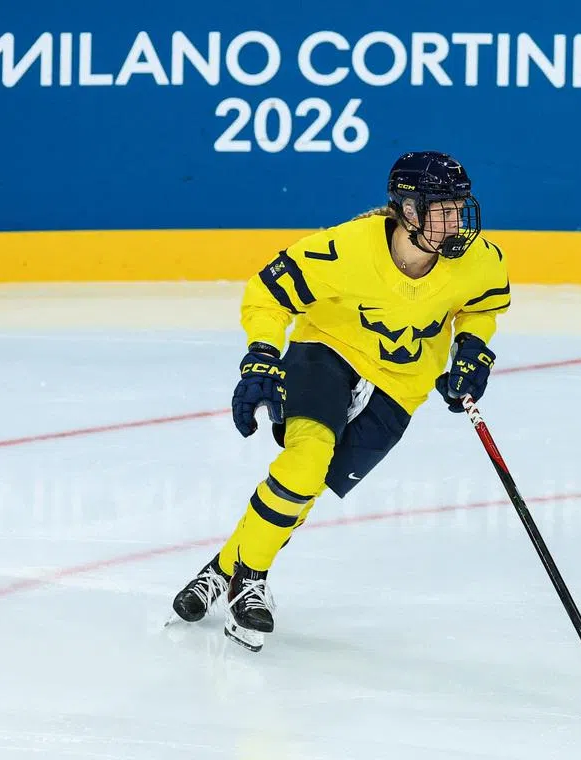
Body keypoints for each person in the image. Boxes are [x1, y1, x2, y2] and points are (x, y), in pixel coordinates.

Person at [170, 151, 511, 651]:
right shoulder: (343, 250)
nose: (455, 220)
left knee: (309, 486)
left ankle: (225, 567)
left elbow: (481, 307)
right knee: (306, 459)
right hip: (327, 350)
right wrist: (262, 356)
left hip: (402, 382)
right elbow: (267, 292)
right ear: (408, 212)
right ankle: (250, 582)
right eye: (441, 208)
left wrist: (472, 350)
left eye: (459, 207)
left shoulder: (479, 261)